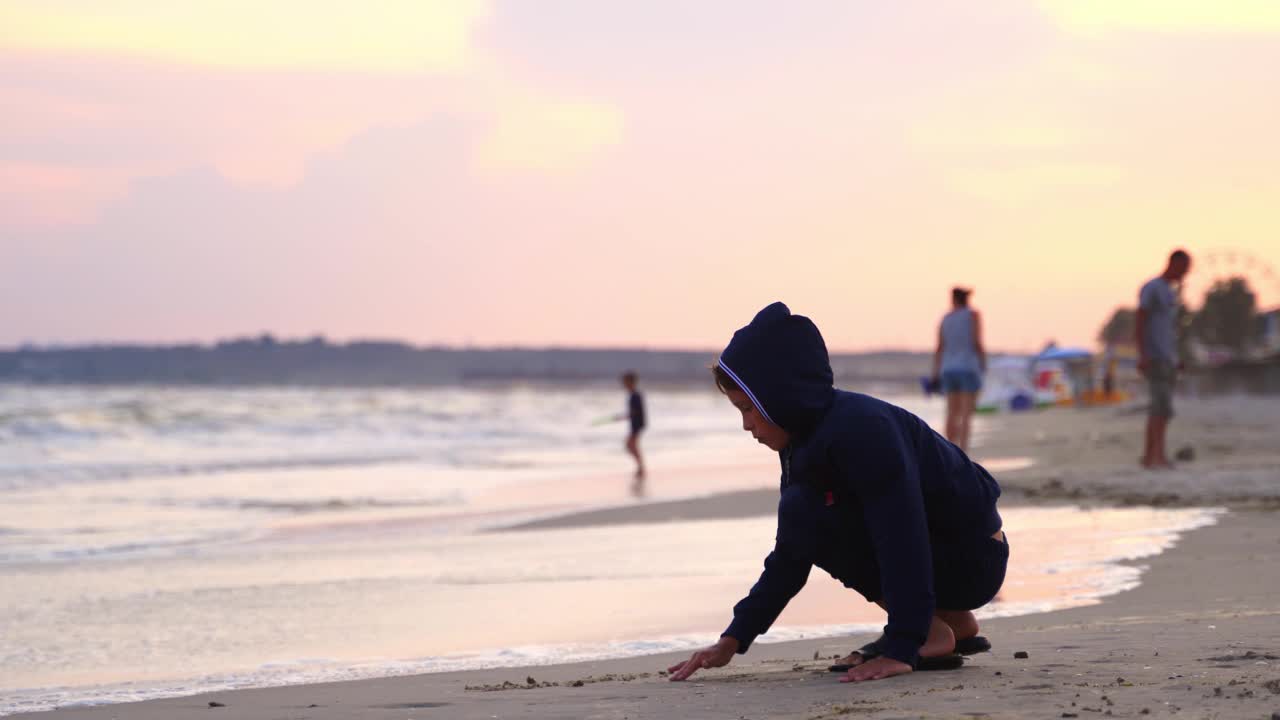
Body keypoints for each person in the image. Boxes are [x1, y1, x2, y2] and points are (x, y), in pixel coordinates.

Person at [668, 303, 1008, 684]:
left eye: (749, 409)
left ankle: (925, 633)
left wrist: (902, 644)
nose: (746, 425)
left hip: (973, 556)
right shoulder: (804, 441)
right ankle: (952, 622)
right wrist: (733, 639)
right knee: (805, 515)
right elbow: (790, 556)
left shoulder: (861, 430)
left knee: (807, 511)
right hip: (949, 557)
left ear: (780, 396)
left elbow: (901, 532)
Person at [1136, 250, 1192, 469]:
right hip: (1155, 357)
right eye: (1184, 269)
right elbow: (1140, 321)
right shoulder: (1153, 288)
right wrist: (1143, 355)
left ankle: (1156, 455)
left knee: (1164, 410)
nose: (1185, 274)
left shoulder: (1170, 292)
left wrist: (1176, 357)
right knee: (1159, 408)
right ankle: (1153, 457)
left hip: (1167, 358)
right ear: (1174, 264)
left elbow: (1169, 330)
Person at [932, 287, 986, 452]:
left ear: (953, 299)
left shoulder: (945, 318)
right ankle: (963, 452)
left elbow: (940, 347)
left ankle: (950, 451)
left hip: (948, 368)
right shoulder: (973, 315)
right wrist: (983, 362)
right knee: (966, 414)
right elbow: (977, 341)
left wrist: (935, 372)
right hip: (968, 367)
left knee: (951, 412)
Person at [620, 371, 646, 483]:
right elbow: (634, 412)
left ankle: (641, 467)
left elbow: (636, 411)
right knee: (631, 445)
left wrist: (628, 415)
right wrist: (628, 415)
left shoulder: (635, 395)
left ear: (631, 382)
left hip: (637, 424)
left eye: (625, 382)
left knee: (630, 445)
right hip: (635, 424)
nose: (624, 384)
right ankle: (640, 467)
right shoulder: (633, 395)